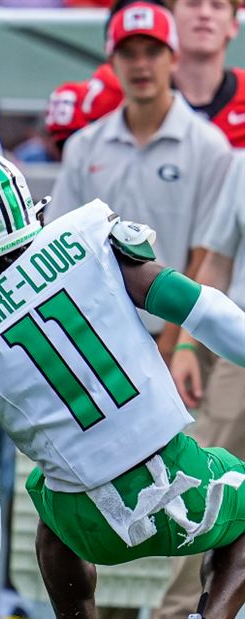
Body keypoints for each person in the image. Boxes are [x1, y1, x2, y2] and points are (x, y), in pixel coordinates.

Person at [0, 145, 245, 619]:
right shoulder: (87, 240)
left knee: (50, 506)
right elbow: (200, 307)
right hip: (183, 486)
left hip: (87, 522)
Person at [48, 2, 231, 361]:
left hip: (180, 336)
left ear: (173, 57)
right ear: (112, 62)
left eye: (152, 51)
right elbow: (61, 244)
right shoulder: (84, 146)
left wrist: (175, 342)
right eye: (128, 53)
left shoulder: (210, 146)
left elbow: (206, 254)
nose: (141, 64)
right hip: (97, 335)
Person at [158, 152, 245, 618]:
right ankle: (176, 612)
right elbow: (216, 264)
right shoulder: (242, 162)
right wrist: (188, 346)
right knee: (208, 494)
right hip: (239, 359)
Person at [46, 0, 244, 149]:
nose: (204, 14)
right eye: (192, 3)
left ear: (234, 24)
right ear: (168, 17)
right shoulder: (118, 85)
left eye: (217, 5)